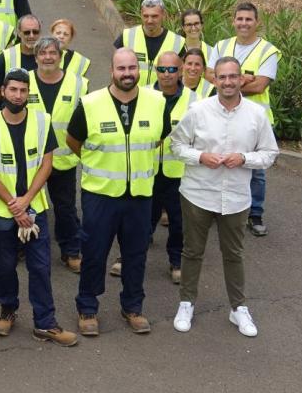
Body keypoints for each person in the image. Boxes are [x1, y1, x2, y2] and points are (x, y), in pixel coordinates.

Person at [169, 57, 278, 336]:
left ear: (241, 79)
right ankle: (186, 302)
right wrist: (200, 156)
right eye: (222, 77)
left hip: (237, 198)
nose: (228, 82)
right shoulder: (198, 111)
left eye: (233, 76)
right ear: (214, 80)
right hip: (197, 193)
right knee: (192, 251)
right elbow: (177, 145)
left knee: (234, 254)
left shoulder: (256, 114)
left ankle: (238, 308)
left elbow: (270, 153)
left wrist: (243, 158)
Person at [66, 48, 169, 336]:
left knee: (136, 255)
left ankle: (133, 307)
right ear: (111, 71)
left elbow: (160, 138)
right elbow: (74, 140)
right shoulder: (90, 103)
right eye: (121, 68)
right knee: (95, 254)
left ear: (139, 70)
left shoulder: (157, 102)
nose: (127, 74)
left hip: (139, 196)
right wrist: (97, 162)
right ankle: (87, 309)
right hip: (100, 195)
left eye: (132, 68)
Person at [0, 68, 78, 347]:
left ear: (28, 94)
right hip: (2, 211)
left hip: (34, 207)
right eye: (13, 89)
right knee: (6, 264)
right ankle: (7, 311)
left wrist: (26, 201)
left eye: (23, 90)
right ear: (3, 91)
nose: (18, 95)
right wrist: (15, 206)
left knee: (40, 265)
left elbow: (47, 164)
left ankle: (45, 323)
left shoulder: (42, 120)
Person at [207, 2, 280, 237]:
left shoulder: (267, 50)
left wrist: (229, 83)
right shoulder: (222, 45)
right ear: (233, 21)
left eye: (248, 19)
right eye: (240, 19)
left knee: (255, 167)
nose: (244, 23)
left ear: (257, 22)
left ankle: (255, 213)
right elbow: (208, 74)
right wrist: (244, 79)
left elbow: (260, 84)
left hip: (254, 119)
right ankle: (222, 209)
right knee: (221, 159)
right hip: (222, 113)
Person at [26, 37, 88, 274]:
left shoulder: (78, 84)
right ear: (36, 57)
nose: (48, 57)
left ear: (60, 57)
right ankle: (24, 245)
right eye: (43, 53)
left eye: (52, 52)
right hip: (32, 159)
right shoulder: (25, 81)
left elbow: (84, 120)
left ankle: (71, 252)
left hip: (63, 158)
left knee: (65, 208)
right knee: (27, 204)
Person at [150, 51, 196, 285]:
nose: (166, 74)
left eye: (171, 70)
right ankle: (127, 257)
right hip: (147, 171)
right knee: (141, 219)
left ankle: (176, 261)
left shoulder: (193, 101)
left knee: (178, 222)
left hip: (178, 174)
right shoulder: (143, 95)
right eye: (161, 69)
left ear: (180, 71)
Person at [114, 0, 184, 86]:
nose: (149, 20)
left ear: (164, 15)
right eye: (146, 16)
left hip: (162, 97)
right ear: (141, 14)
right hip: (132, 95)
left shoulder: (178, 42)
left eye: (154, 16)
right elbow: (115, 70)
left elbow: (181, 75)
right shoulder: (127, 36)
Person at [0, 14, 42, 102]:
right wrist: (12, 102)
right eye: (27, 32)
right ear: (19, 33)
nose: (31, 36)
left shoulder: (48, 57)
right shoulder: (6, 56)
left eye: (35, 32)